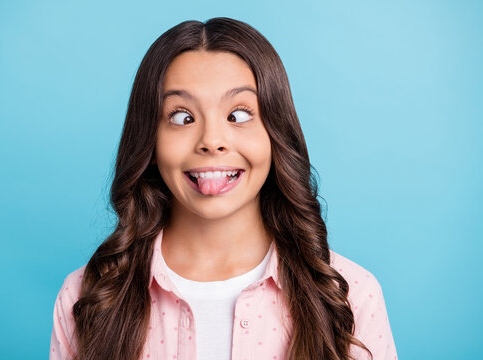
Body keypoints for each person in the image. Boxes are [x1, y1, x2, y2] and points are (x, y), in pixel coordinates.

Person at [49, 17, 397, 360]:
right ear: (150, 143)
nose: (211, 141)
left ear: (275, 134)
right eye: (182, 117)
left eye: (239, 115)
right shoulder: (87, 297)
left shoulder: (351, 295)